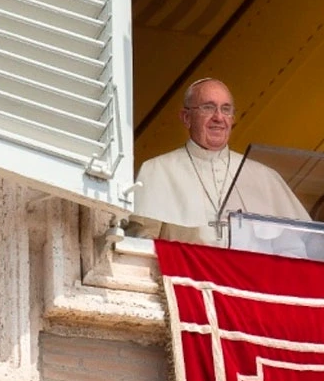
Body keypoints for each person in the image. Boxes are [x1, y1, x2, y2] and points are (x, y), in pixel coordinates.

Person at [132, 78, 311, 251]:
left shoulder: (265, 177)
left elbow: (294, 249)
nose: (218, 117)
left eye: (226, 109)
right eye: (208, 108)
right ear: (186, 117)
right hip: (185, 279)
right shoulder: (157, 171)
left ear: (232, 119)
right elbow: (141, 246)